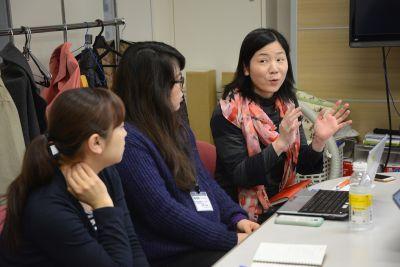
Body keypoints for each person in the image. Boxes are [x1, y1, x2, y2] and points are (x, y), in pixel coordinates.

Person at [113, 43, 259, 267]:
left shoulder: (176, 129)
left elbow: (204, 183)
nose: (182, 89)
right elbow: (163, 212)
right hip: (172, 255)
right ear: (155, 87)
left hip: (205, 242)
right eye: (178, 81)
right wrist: (228, 238)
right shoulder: (129, 142)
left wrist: (236, 218)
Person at [210, 28, 352, 222]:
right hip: (239, 216)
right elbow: (240, 175)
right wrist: (280, 144)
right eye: (263, 60)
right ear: (246, 67)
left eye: (280, 59)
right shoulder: (228, 112)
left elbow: (303, 165)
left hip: (282, 205)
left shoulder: (287, 103)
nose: (274, 68)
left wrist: (319, 141)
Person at [0, 88, 149, 266]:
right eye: (120, 127)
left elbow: (131, 241)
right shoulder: (48, 208)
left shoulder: (105, 171)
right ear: (96, 142)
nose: (126, 133)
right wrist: (103, 206)